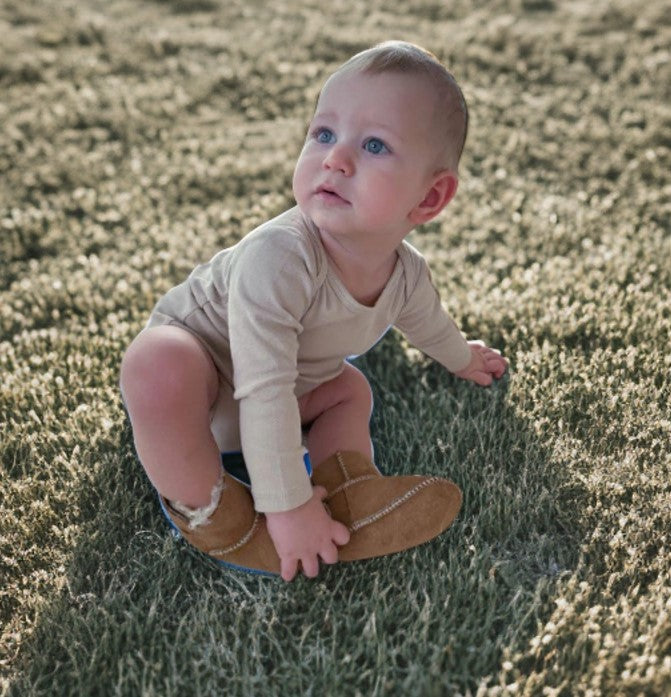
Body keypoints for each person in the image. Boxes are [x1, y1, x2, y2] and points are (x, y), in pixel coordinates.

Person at [120, 40, 508, 582]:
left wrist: (460, 357)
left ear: (429, 199)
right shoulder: (278, 259)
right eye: (323, 134)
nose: (335, 157)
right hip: (203, 388)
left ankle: (349, 485)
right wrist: (287, 507)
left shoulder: (406, 274)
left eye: (374, 145)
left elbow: (427, 322)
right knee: (157, 362)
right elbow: (263, 386)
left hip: (278, 395)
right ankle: (210, 510)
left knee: (349, 390)